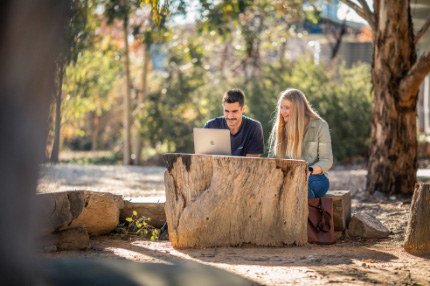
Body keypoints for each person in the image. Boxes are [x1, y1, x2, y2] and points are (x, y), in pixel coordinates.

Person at [269, 88, 333, 198]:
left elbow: (327, 160)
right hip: (287, 178)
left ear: (298, 109)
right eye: (281, 107)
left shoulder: (320, 126)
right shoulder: (279, 128)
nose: (282, 112)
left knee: (301, 185)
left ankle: (301, 213)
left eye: (287, 108)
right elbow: (272, 159)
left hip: (315, 178)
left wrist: (309, 170)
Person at [204, 89, 264, 157]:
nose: (230, 116)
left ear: (243, 108)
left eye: (234, 111)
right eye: (227, 111)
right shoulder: (211, 126)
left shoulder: (254, 128)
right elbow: (203, 160)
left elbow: (251, 163)